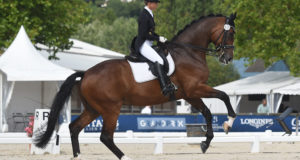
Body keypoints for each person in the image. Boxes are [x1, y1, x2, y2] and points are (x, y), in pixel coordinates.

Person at [134, 0, 176, 96]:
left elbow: (150, 32)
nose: (157, 5)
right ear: (149, 3)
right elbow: (144, 34)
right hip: (143, 45)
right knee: (160, 61)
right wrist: (158, 38)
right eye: (155, 3)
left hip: (149, 43)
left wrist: (160, 38)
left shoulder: (149, 13)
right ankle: (164, 87)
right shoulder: (144, 15)